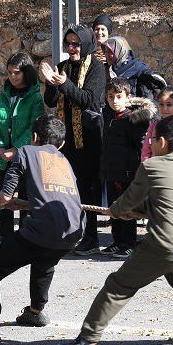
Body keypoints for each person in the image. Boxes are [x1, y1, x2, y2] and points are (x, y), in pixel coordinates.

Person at [55, 115, 173, 345]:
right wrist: (134, 211)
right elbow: (164, 202)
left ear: (163, 142)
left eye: (153, 138)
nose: (150, 142)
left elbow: (129, 199)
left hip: (165, 244)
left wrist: (115, 211)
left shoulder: (152, 166)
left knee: (118, 287)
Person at [0, 116, 83, 345]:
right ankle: (36, 312)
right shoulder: (64, 160)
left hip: (42, 230)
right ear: (63, 143)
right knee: (45, 260)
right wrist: (25, 205)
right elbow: (58, 196)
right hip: (73, 231)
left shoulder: (25, 152)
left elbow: (5, 196)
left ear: (34, 137)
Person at [39, 24, 106, 255]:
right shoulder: (63, 67)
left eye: (76, 44)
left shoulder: (97, 68)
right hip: (67, 138)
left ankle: (92, 236)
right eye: (68, 43)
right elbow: (50, 101)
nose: (71, 48)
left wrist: (63, 84)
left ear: (86, 44)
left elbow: (89, 100)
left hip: (88, 138)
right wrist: (49, 82)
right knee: (69, 187)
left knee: (89, 188)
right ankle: (73, 231)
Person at [0, 51, 44, 241]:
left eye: (16, 72)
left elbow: (34, 125)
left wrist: (16, 148)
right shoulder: (2, 96)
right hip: (4, 156)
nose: (12, 76)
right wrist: (0, 147)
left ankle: (26, 235)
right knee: (4, 195)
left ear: (26, 72)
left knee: (25, 197)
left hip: (24, 156)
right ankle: (2, 234)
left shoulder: (35, 98)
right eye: (9, 72)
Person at [99, 78, 156, 257]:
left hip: (127, 173)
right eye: (110, 96)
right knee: (113, 207)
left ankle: (128, 242)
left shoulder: (134, 120)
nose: (114, 101)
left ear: (128, 97)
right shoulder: (109, 117)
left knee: (127, 209)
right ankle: (117, 241)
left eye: (118, 96)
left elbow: (141, 147)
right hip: (111, 171)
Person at [101, 35, 166, 102]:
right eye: (105, 51)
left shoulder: (140, 69)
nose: (106, 55)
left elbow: (148, 99)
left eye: (110, 52)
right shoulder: (107, 71)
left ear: (121, 51)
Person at [142, 86, 173, 162]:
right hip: (154, 166)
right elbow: (146, 149)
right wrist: (145, 164)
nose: (164, 108)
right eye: (161, 104)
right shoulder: (154, 126)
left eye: (169, 105)